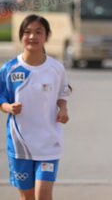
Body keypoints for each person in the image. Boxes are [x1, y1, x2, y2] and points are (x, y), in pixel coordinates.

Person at [0, 14, 72, 200]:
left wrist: (63, 108)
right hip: (20, 144)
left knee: (43, 195)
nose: (32, 37)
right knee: (27, 196)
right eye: (27, 32)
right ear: (21, 36)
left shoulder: (56, 68)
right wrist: (8, 107)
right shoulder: (9, 69)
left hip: (48, 143)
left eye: (38, 32)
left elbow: (63, 93)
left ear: (46, 36)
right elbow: (1, 98)